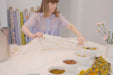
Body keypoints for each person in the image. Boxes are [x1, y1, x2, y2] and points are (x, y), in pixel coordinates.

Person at [22, 0, 86, 46]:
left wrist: (79, 35)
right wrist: (33, 35)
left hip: (52, 47)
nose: (55, 6)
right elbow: (24, 28)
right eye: (53, 3)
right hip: (38, 47)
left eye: (56, 3)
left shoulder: (58, 16)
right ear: (46, 3)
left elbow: (70, 26)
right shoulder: (36, 16)